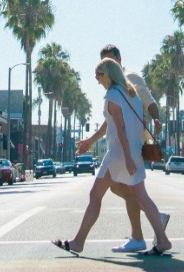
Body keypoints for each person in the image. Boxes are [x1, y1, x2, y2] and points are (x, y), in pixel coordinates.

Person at [54, 58, 171, 258]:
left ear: (108, 74)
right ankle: (162, 240)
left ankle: (78, 242)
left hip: (119, 153)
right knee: (138, 196)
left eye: (98, 74)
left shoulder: (113, 96)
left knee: (98, 195)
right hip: (131, 150)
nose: (96, 78)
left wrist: (127, 158)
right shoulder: (131, 94)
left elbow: (121, 128)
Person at [77, 44, 159, 252]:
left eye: (105, 66)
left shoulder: (128, 83)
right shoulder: (118, 89)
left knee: (118, 193)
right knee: (124, 190)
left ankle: (140, 234)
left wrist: (156, 119)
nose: (98, 75)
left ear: (117, 61)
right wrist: (91, 141)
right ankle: (151, 226)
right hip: (128, 147)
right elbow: (112, 122)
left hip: (123, 149)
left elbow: (145, 103)